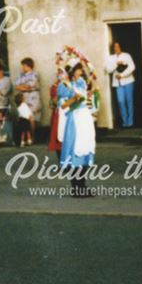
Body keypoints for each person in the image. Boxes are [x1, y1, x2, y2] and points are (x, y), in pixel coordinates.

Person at [59, 62, 96, 197]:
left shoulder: (81, 82)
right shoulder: (64, 85)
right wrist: (74, 98)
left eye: (81, 69)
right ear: (72, 70)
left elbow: (87, 96)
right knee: (75, 150)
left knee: (86, 149)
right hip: (75, 119)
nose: (80, 72)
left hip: (85, 118)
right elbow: (63, 106)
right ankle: (75, 187)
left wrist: (91, 93)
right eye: (78, 70)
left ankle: (82, 185)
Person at [104, 41, 136, 128]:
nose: (116, 48)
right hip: (118, 83)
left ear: (121, 47)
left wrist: (122, 75)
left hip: (128, 81)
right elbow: (108, 69)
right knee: (121, 101)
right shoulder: (110, 58)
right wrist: (116, 63)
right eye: (114, 47)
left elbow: (132, 67)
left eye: (118, 46)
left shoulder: (127, 55)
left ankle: (130, 122)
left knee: (129, 101)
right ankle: (124, 122)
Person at [14, 58, 41, 140]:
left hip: (33, 97)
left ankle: (32, 137)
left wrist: (22, 86)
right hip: (24, 98)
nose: (22, 67)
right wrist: (23, 87)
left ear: (29, 66)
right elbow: (17, 86)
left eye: (24, 66)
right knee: (24, 117)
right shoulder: (20, 75)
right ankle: (25, 137)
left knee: (31, 117)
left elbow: (30, 85)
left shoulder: (35, 74)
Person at [48, 69, 66, 158]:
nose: (61, 76)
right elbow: (53, 101)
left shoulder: (71, 85)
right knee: (57, 136)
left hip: (69, 113)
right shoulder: (54, 86)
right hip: (58, 113)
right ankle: (61, 160)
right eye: (59, 74)